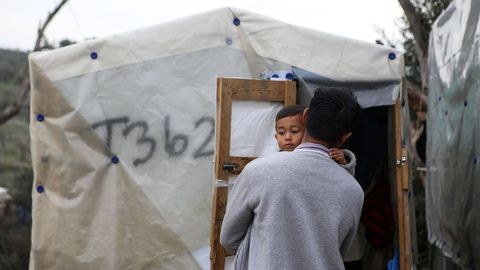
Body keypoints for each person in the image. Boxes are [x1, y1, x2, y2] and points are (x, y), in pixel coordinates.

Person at [220, 87, 364, 269]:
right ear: (345, 137)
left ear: (305, 116)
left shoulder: (258, 171)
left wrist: (265, 254)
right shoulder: (354, 191)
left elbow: (229, 238)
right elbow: (337, 250)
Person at [274, 104, 357, 175]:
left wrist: (343, 162)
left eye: (294, 131)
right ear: (275, 137)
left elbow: (346, 179)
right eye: (281, 133)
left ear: (309, 132)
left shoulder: (324, 154)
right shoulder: (274, 160)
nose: (287, 137)